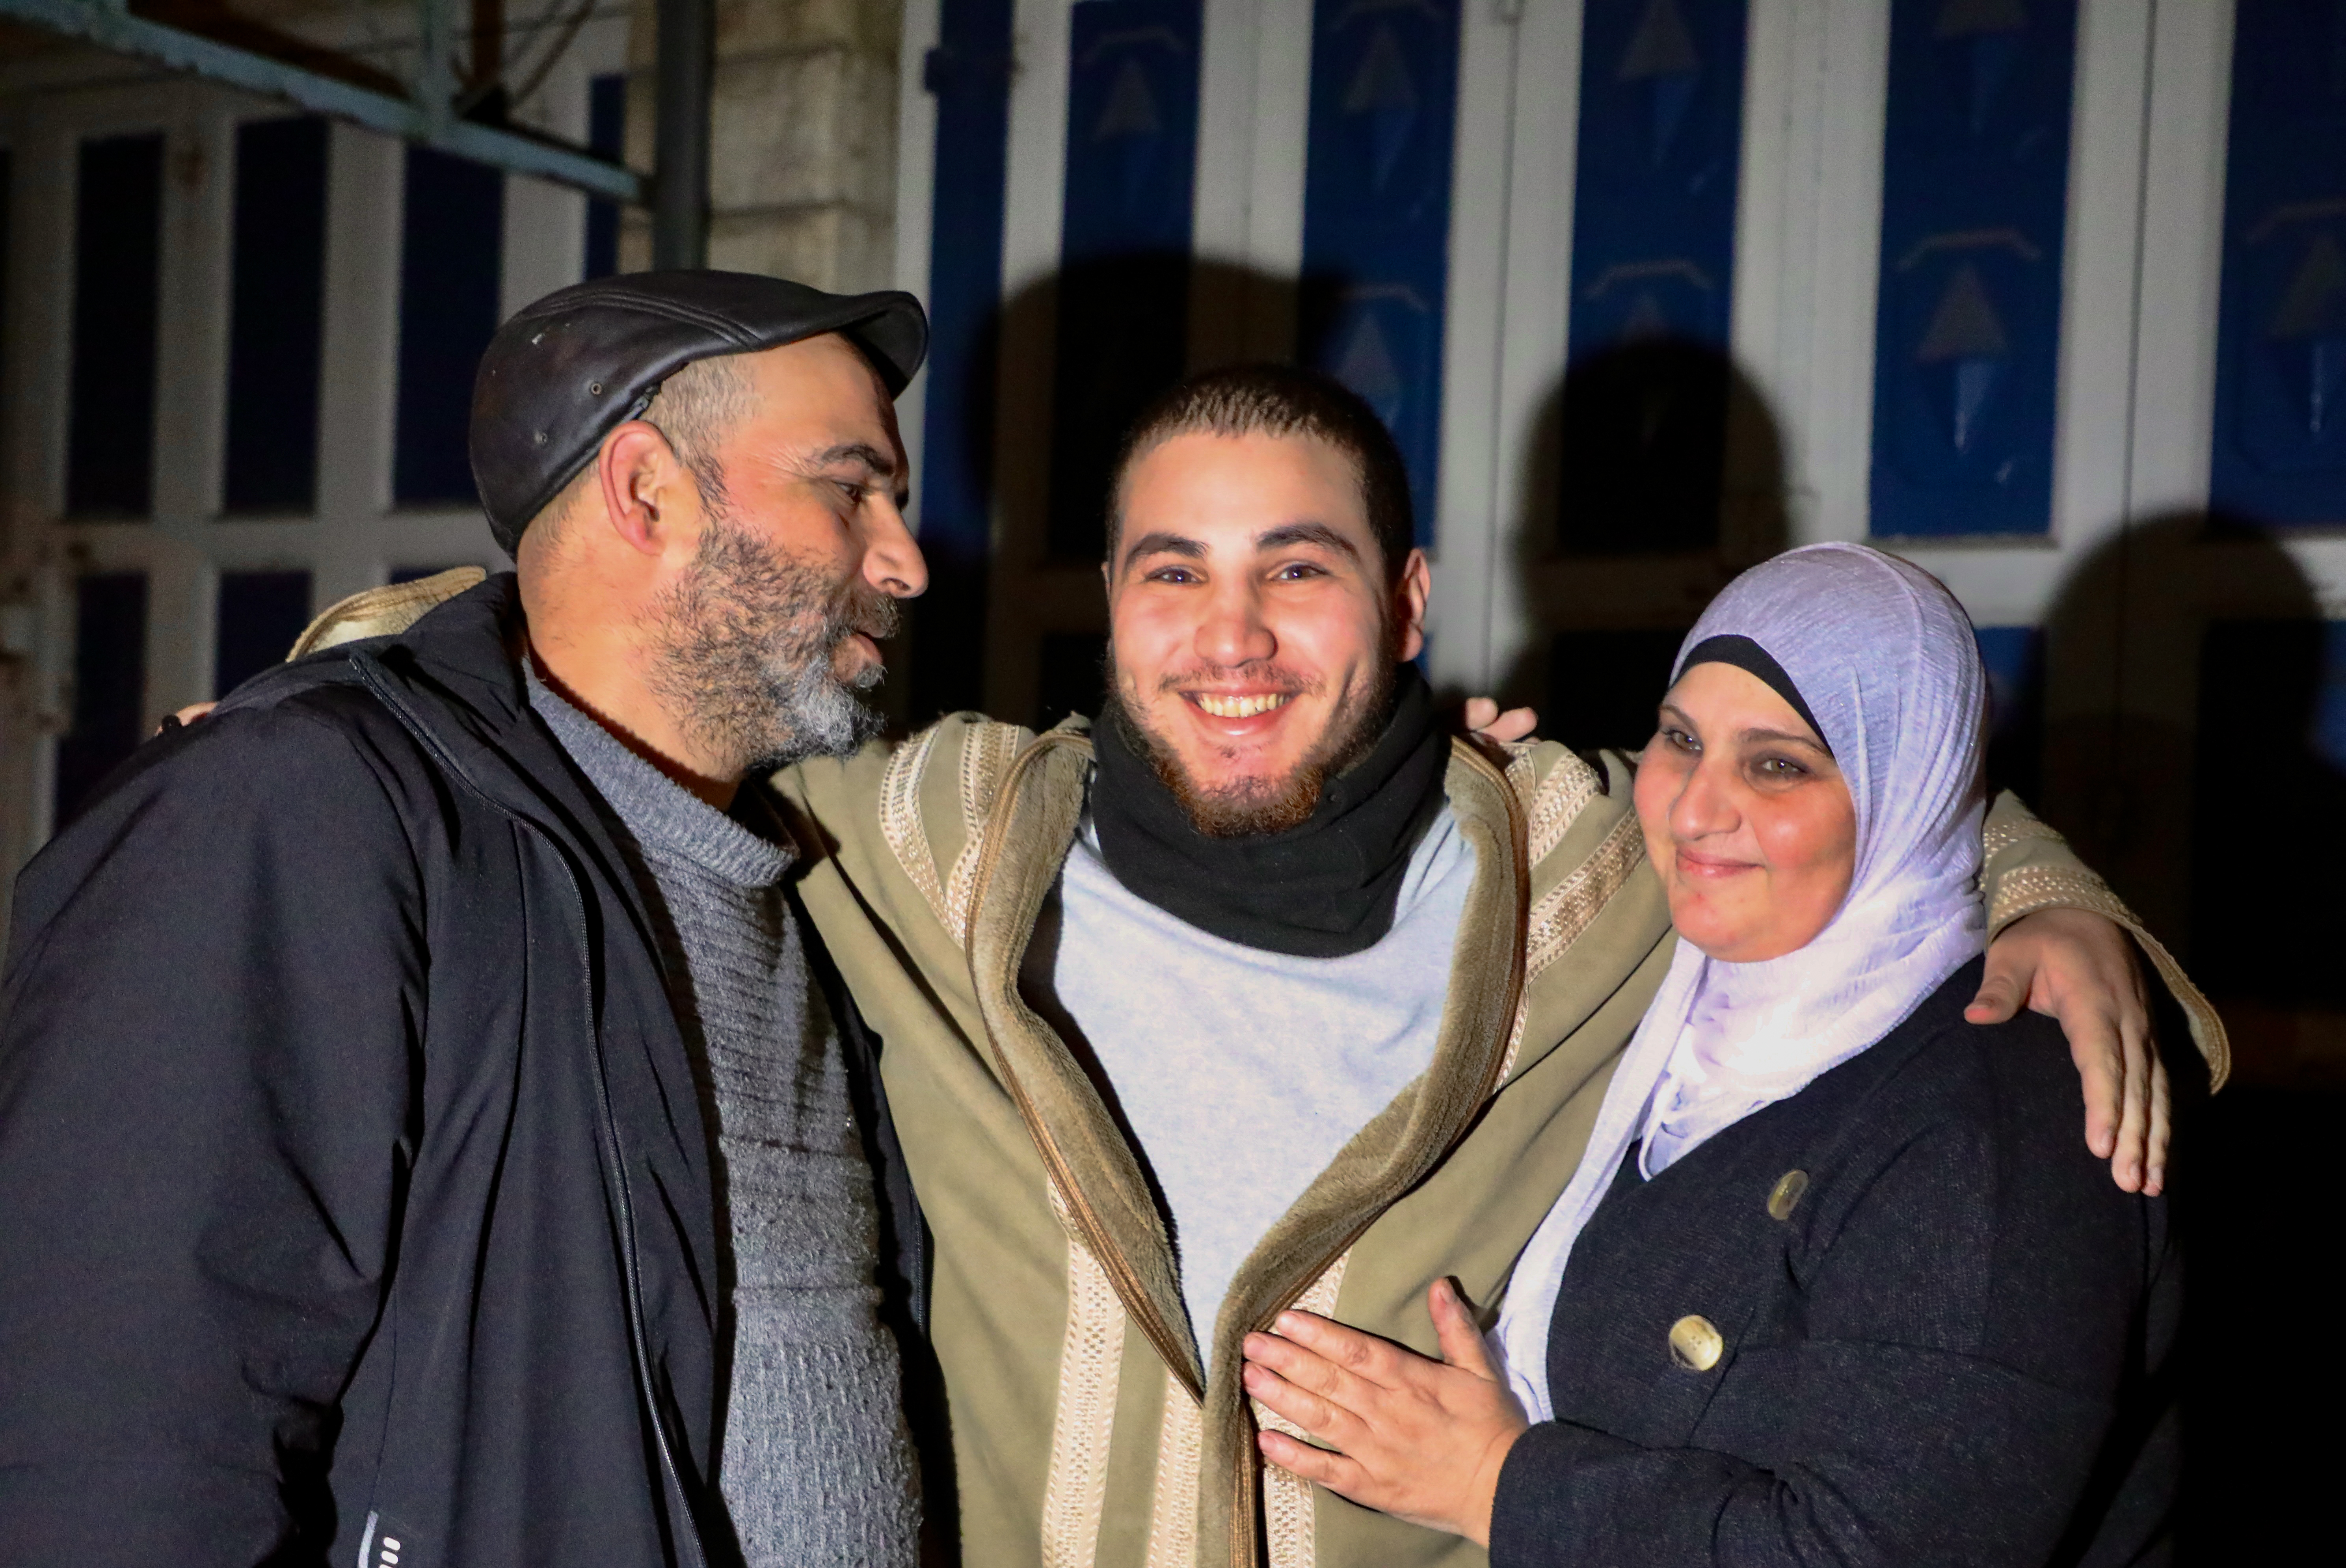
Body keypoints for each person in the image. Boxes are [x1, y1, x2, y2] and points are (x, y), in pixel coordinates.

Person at [240, 363, 2217, 1568]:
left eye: (1299, 566)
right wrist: (329, 719)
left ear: (1408, 601)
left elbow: (1849, 802)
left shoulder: (1599, 862)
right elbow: (603, 675)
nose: (1233, 633)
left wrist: (2052, 903)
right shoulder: (922, 837)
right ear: (1106, 606)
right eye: (1172, 570)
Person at [0, 272, 936, 1566]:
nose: (905, 560)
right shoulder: (309, 809)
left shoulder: (801, 884)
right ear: (647, 491)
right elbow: (114, 1450)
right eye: (851, 489)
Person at [1237, 544, 2182, 1566]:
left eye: (1778, 764)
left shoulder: (2000, 1119)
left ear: (1907, 785)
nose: (1693, 808)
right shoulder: (1660, 987)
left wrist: (1495, 1485)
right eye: (1681, 737)